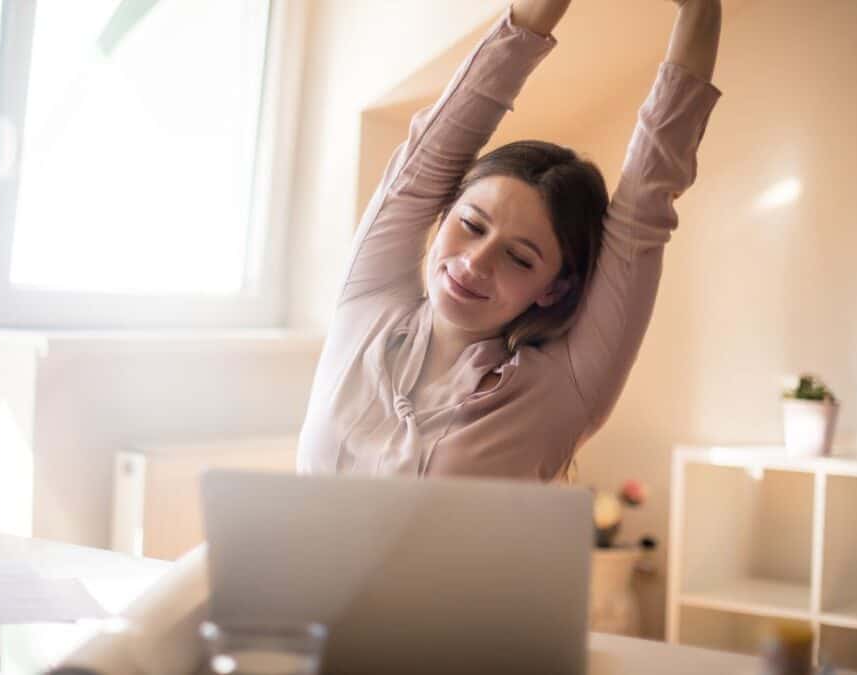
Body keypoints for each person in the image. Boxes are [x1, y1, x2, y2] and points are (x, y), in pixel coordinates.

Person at [297, 0, 722, 482]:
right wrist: (534, 15)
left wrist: (700, 9)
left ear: (553, 288)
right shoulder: (367, 304)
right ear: (443, 213)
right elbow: (433, 151)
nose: (475, 262)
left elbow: (645, 204)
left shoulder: (564, 388)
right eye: (472, 226)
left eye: (519, 258)